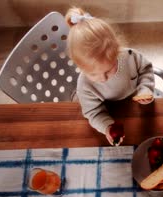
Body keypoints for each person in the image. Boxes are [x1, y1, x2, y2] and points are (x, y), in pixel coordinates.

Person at [65, 7, 155, 145]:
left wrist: (145, 88)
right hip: (110, 111)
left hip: (135, 105)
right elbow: (93, 112)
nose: (103, 78)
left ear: (117, 51)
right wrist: (107, 126)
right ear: (80, 67)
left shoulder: (129, 57)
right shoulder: (84, 86)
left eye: (108, 70)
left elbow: (145, 70)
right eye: (93, 74)